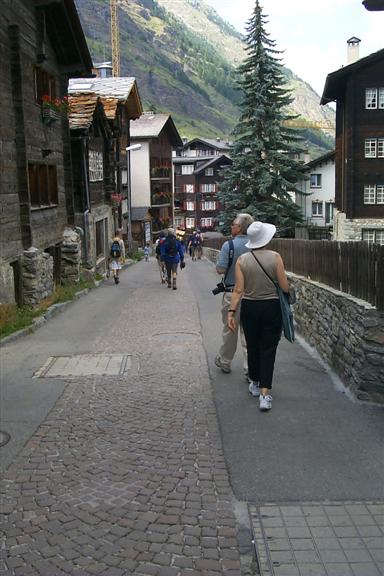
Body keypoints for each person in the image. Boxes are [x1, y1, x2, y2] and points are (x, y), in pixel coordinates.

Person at [227, 221, 290, 412]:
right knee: (268, 348)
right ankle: (265, 394)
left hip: (250, 307)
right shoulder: (275, 257)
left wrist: (231, 312)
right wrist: (290, 288)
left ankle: (254, 382)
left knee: (252, 346)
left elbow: (238, 290)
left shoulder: (242, 260)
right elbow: (285, 287)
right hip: (271, 307)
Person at [214, 213, 254, 376]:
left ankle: (225, 361)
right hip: (252, 295)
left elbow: (220, 269)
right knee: (249, 332)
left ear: (239, 228)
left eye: (233, 225)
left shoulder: (228, 246)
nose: (231, 227)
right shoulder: (256, 244)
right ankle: (249, 368)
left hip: (232, 294)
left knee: (230, 329)